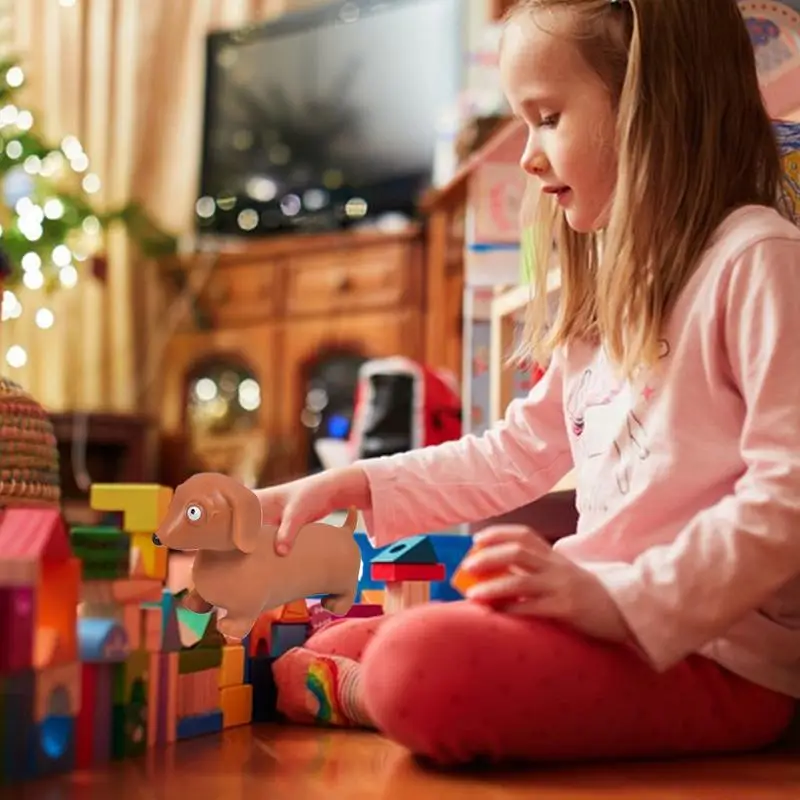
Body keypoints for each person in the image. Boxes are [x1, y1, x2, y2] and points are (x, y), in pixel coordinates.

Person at [258, 0, 800, 766]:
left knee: (415, 661)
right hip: (603, 623)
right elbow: (510, 455)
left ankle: (372, 690)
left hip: (721, 661)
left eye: (547, 118)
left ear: (654, 107)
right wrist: (349, 486)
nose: (528, 156)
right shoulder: (616, 293)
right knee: (354, 638)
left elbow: (790, 495)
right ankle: (370, 678)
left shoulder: (759, 261)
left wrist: (618, 600)